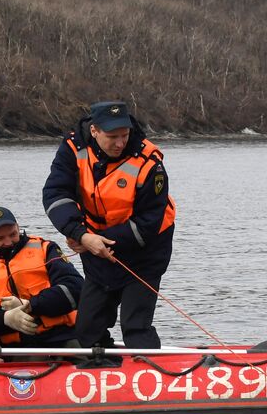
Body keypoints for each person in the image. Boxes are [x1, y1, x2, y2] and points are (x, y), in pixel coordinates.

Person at [41, 100, 175, 349]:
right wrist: (79, 234)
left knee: (134, 325)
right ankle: (101, 367)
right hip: (95, 244)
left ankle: (148, 369)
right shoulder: (73, 148)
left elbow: (148, 223)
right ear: (94, 131)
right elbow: (55, 194)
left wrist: (94, 239)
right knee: (87, 330)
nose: (120, 143)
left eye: (125, 135)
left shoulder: (149, 162)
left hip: (145, 249)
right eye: (112, 136)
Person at [0, 206, 84, 349]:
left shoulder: (45, 249)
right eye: (0, 238)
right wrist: (4, 318)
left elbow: (75, 288)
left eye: (13, 234)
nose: (8, 242)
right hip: (10, 350)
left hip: (61, 339)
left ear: (18, 228)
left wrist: (30, 305)